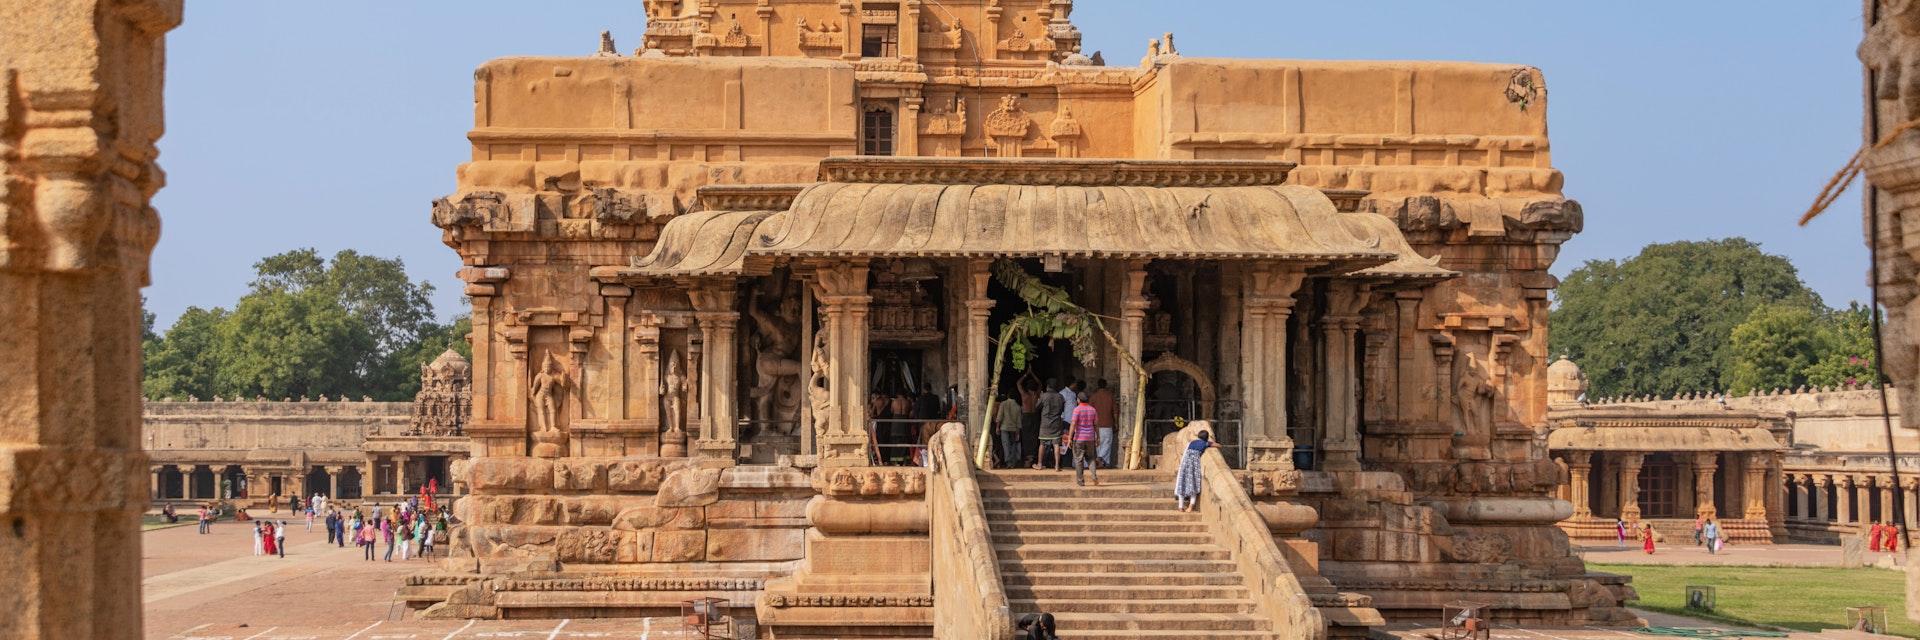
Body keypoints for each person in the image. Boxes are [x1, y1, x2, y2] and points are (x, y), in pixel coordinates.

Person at [1175, 431, 1214, 512]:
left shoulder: (1191, 443)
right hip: (1194, 466)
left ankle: (1180, 506)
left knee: (1182, 484)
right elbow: (1216, 445)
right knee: (1194, 485)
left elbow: (1185, 452)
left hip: (1185, 464)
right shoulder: (1205, 444)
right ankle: (1190, 506)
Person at [1070, 395, 1101, 486]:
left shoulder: (1077, 409)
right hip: (1090, 438)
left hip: (1079, 438)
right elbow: (1096, 425)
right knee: (1091, 458)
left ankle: (1080, 481)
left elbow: (1073, 424)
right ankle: (1094, 476)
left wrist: (1069, 438)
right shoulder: (1092, 410)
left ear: (1078, 400)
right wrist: (1098, 437)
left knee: (1078, 460)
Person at [1090, 379, 1118, 467]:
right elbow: (1115, 412)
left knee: (1099, 445)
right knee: (1107, 443)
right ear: (1106, 386)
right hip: (1107, 424)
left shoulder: (1093, 397)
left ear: (1097, 386)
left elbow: (1090, 412)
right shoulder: (1110, 396)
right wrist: (1116, 423)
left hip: (1096, 425)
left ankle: (1102, 462)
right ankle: (1101, 458)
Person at [1018, 373, 1041, 467]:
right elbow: (1040, 384)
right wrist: (1033, 374)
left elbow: (1018, 383)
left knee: (1026, 437)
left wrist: (1026, 374)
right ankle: (1032, 455)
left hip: (1026, 416)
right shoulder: (1036, 394)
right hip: (1035, 415)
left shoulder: (1024, 395)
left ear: (1027, 387)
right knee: (1034, 436)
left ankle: (1028, 456)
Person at [995, 391, 1022, 469]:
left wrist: (997, 427)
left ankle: (1008, 462)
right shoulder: (1018, 407)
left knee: (1005, 445)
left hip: (1004, 427)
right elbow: (1019, 422)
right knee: (1013, 445)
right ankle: (1012, 463)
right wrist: (1018, 433)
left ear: (1008, 395)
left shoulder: (1003, 404)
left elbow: (999, 417)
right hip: (1013, 429)